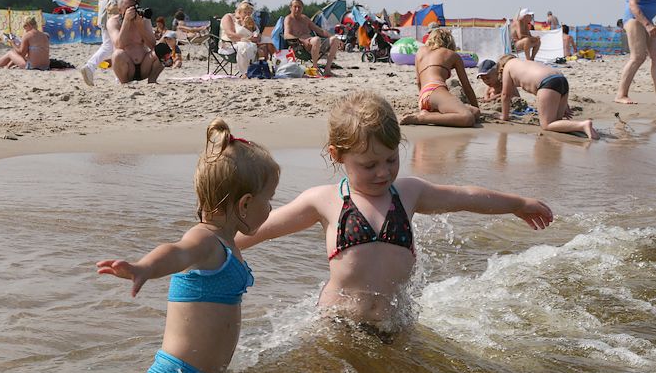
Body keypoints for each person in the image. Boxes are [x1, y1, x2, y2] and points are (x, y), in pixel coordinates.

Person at [234, 91, 552, 333]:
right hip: (339, 325)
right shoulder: (324, 200)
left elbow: (466, 197)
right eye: (369, 165)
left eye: (391, 159)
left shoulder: (409, 193)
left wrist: (517, 204)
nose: (383, 172)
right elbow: (259, 229)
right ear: (337, 155)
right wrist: (214, 252)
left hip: (396, 325)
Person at [96, 119, 280, 373]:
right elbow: (177, 251)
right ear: (245, 204)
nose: (270, 208)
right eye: (268, 200)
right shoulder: (205, 239)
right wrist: (144, 267)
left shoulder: (227, 243)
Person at [486, 54, 599, 139]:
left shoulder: (507, 67)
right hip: (561, 79)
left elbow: (506, 94)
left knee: (547, 125)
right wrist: (564, 104)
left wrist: (504, 116)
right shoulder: (524, 62)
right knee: (556, 122)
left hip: (547, 83)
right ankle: (585, 131)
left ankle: (583, 125)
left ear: (500, 68)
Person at [400, 28, 481, 128]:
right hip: (436, 90)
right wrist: (476, 106)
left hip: (423, 95)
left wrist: (424, 103)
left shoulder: (420, 52)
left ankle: (428, 114)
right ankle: (423, 118)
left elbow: (418, 82)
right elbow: (467, 87)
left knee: (475, 112)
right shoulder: (452, 54)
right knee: (467, 117)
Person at [615, 0, 656, 105]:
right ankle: (621, 95)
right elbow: (633, 5)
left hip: (647, 20)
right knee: (637, 57)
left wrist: (649, 23)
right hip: (634, 19)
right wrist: (647, 25)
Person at [107, 0, 163, 83]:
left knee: (163, 49)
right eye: (128, 8)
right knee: (117, 54)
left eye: (134, 7)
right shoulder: (113, 22)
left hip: (144, 65)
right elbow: (119, 45)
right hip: (127, 67)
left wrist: (140, 26)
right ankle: (125, 83)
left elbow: (152, 45)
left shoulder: (143, 19)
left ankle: (152, 80)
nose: (132, 11)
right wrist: (126, 21)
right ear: (120, 10)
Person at [283, 0, 340, 77]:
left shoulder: (305, 18)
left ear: (302, 8)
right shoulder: (289, 19)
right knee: (316, 39)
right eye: (295, 7)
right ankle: (315, 69)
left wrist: (334, 38)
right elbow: (286, 35)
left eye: (299, 7)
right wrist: (302, 41)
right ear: (290, 8)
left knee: (335, 39)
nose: (297, 9)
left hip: (314, 44)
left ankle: (327, 70)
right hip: (300, 47)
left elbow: (320, 31)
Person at [79, 0, 116, 86]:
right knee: (114, 47)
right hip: (113, 13)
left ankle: (90, 66)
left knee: (108, 46)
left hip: (105, 11)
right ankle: (118, 78)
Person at [220, 1, 260, 77]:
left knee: (265, 44)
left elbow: (256, 33)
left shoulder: (250, 21)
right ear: (239, 10)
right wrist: (246, 39)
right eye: (245, 11)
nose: (247, 14)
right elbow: (230, 34)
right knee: (245, 46)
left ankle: (261, 69)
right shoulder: (229, 17)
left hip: (248, 42)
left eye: (249, 12)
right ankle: (245, 72)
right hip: (229, 44)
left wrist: (256, 37)